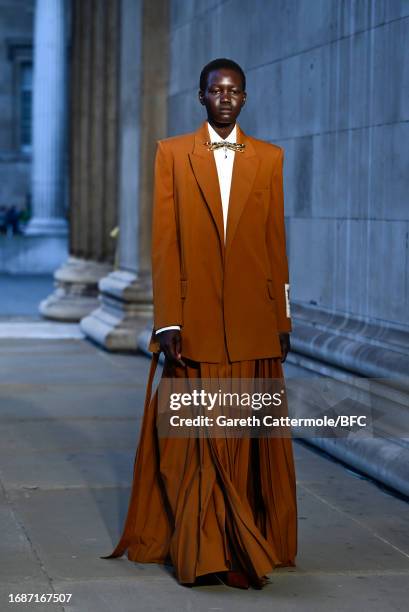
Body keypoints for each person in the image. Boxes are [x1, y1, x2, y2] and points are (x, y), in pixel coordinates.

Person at [102, 58, 297, 590]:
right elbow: (164, 243)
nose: (226, 98)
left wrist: (283, 316)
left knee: (242, 436)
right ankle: (207, 549)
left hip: (255, 321)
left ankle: (240, 544)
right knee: (201, 436)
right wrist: (166, 320)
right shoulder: (171, 154)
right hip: (196, 321)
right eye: (217, 90)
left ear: (246, 97)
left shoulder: (271, 159)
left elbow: (276, 248)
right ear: (201, 96)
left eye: (234, 90)